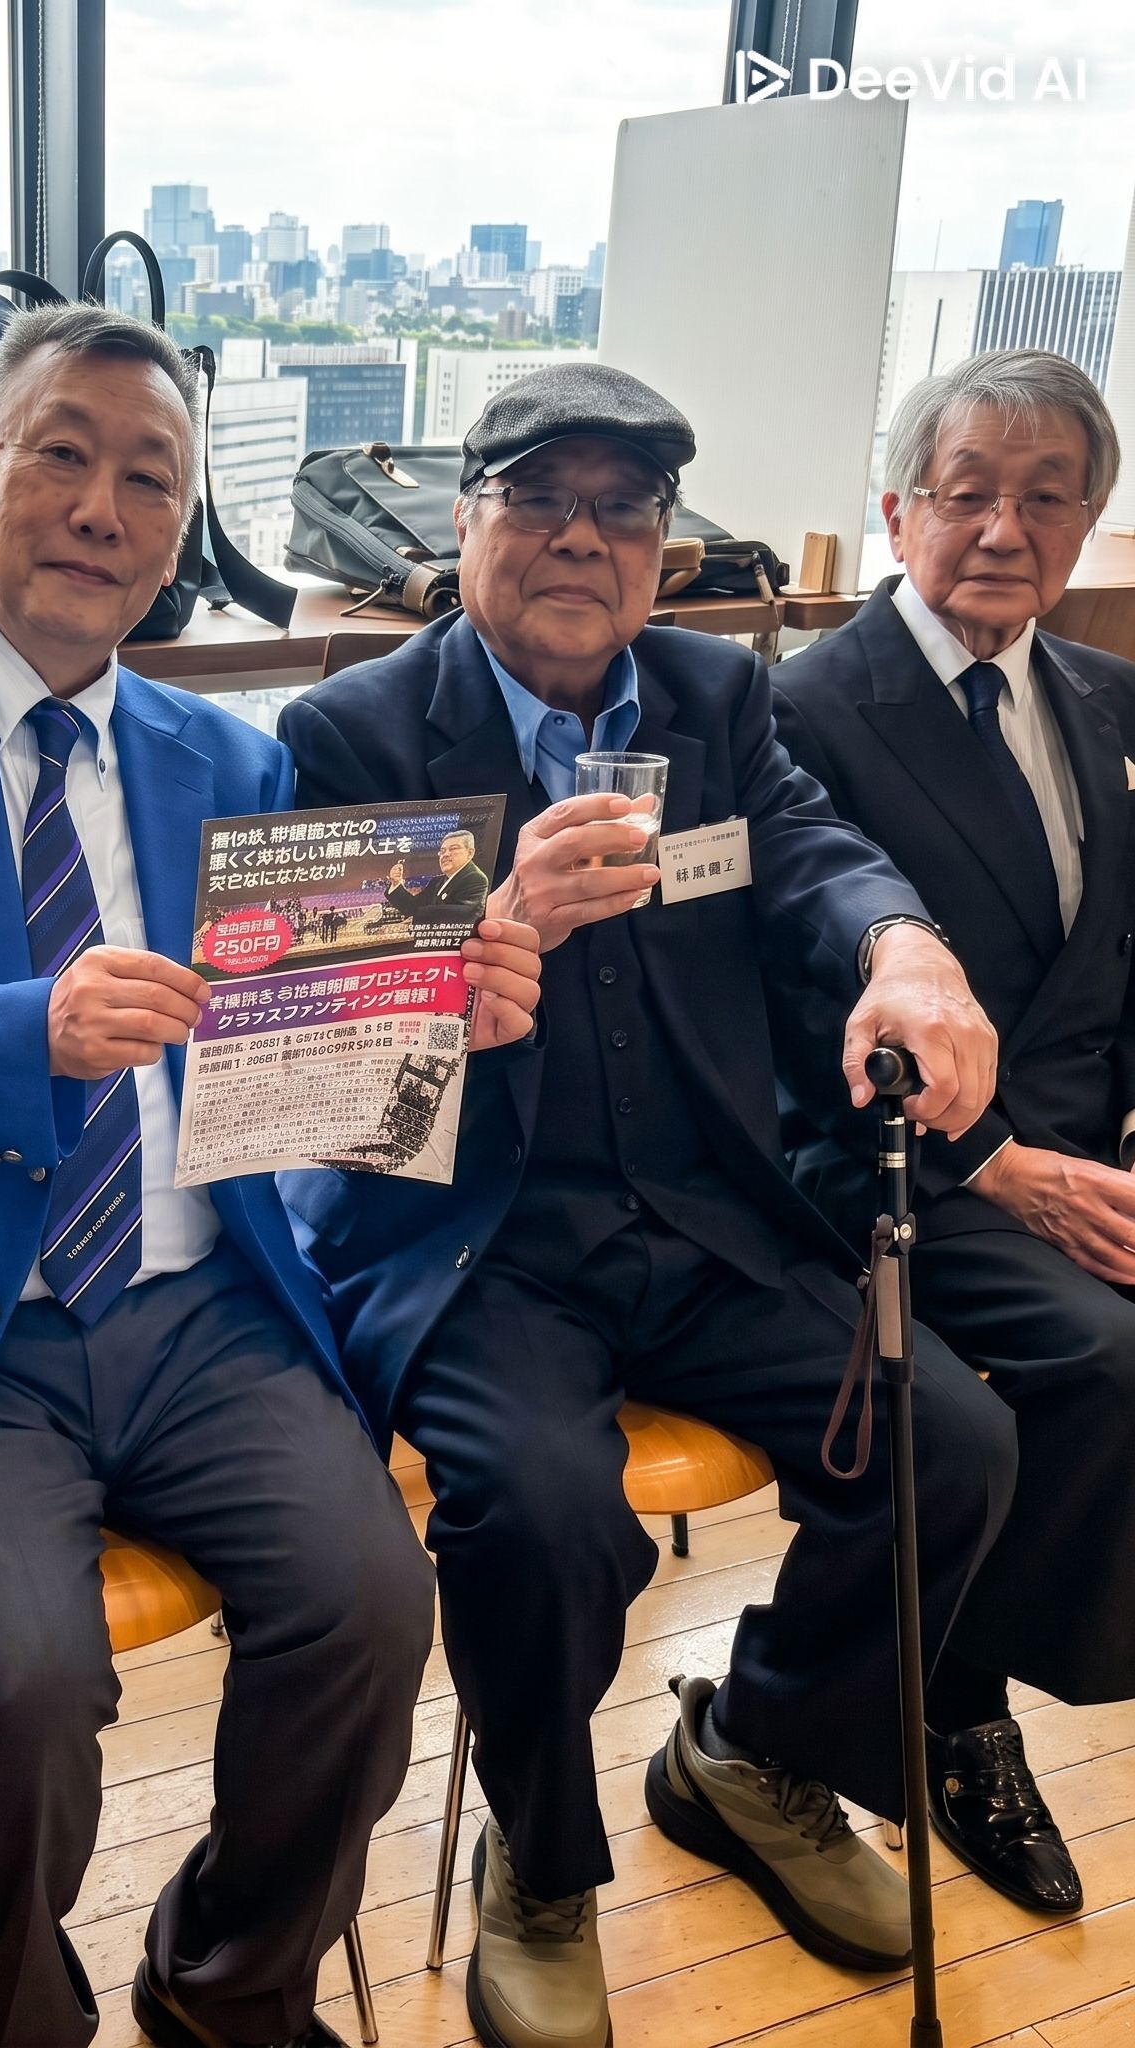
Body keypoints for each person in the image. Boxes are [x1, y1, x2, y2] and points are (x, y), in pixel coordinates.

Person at [0, 303, 542, 2048]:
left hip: (196, 1310)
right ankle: (11, 2011)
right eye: (61, 455)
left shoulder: (234, 755)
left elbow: (294, 1081)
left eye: (150, 479)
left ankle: (227, 1983)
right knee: (20, 1682)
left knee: (371, 1603)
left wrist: (427, 1018)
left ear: (179, 533)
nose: (102, 507)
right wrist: (31, 1031)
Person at [277, 362, 1019, 2048]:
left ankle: (753, 1749)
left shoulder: (710, 693)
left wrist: (902, 948)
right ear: (463, 520)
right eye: (539, 498)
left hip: (699, 1217)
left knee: (953, 1443)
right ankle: (539, 1864)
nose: (580, 539)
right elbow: (317, 1059)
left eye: (622, 508)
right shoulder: (350, 730)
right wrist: (491, 916)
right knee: (544, 1513)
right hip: (474, 1243)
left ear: (663, 547)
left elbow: (811, 853)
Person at [773, 347, 1135, 1915]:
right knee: (1107, 1359)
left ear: (1089, 524)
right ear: (897, 509)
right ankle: (966, 1702)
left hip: (1080, 1153)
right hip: (882, 1162)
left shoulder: (1109, 698)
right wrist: (999, 1168)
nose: (1003, 529)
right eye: (967, 492)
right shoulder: (801, 709)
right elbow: (789, 1000)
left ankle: (941, 1676)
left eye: (1047, 498)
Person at [384, 828, 491, 928]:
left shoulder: (476, 879)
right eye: (442, 851)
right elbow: (412, 906)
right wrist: (396, 883)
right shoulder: (436, 882)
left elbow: (463, 914)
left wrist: (417, 915)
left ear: (470, 853)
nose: (446, 854)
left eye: (453, 848)